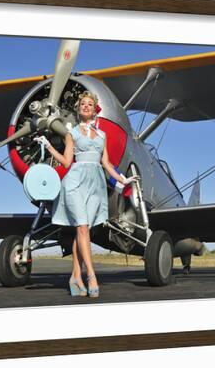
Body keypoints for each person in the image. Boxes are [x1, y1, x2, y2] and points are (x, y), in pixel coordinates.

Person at [34, 91, 139, 298]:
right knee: (81, 228)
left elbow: (106, 163)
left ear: (94, 109)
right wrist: (48, 146)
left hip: (96, 185)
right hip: (75, 182)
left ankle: (75, 278)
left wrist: (123, 180)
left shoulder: (102, 136)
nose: (86, 106)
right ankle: (91, 275)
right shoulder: (71, 133)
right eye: (82, 104)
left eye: (90, 104)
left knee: (84, 232)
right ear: (79, 109)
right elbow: (66, 162)